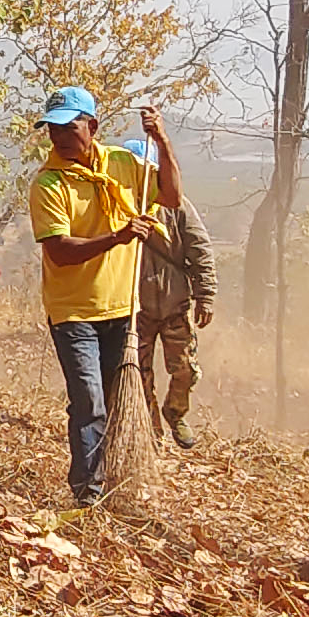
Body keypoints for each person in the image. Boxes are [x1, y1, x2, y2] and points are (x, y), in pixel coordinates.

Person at [30, 91, 181, 503]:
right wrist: (117, 237)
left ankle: (117, 474)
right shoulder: (49, 183)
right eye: (53, 129)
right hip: (73, 311)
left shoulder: (123, 164)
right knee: (88, 400)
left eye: (69, 127)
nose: (59, 137)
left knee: (116, 399)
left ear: (92, 127)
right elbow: (59, 252)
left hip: (122, 307)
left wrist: (162, 141)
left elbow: (170, 196)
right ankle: (87, 492)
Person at [126, 137, 219, 446]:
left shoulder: (177, 204)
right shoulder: (114, 204)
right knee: (138, 374)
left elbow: (200, 247)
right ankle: (149, 428)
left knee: (185, 371)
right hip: (133, 310)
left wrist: (206, 294)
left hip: (175, 305)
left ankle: (175, 413)